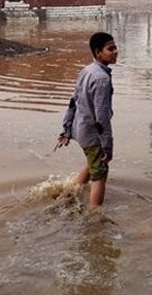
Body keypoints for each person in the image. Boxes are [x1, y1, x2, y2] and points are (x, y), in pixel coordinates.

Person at [56, 32, 118, 208]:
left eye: (115, 48)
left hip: (80, 128)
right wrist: (107, 145)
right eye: (110, 49)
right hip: (91, 132)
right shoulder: (102, 79)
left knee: (93, 161)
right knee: (100, 173)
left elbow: (73, 100)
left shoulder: (87, 70)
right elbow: (102, 116)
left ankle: (71, 193)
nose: (115, 52)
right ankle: (94, 216)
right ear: (98, 53)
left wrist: (67, 129)